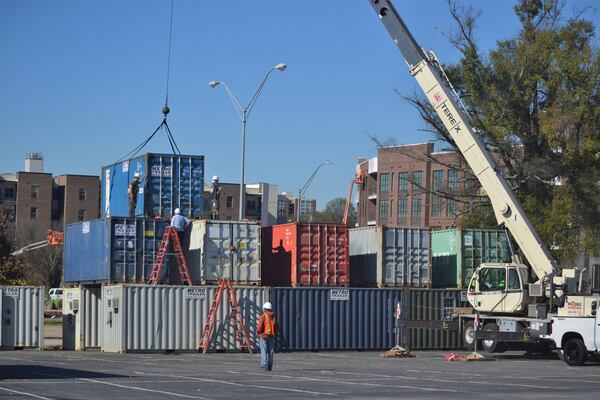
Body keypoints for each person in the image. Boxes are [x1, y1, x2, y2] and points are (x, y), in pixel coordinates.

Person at [257, 301, 277, 371]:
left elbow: (260, 326)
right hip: (271, 336)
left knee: (264, 351)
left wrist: (259, 333)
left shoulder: (263, 316)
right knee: (270, 351)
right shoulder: (273, 316)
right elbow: (275, 326)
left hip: (264, 336)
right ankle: (270, 366)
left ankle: (264, 365)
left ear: (264, 308)